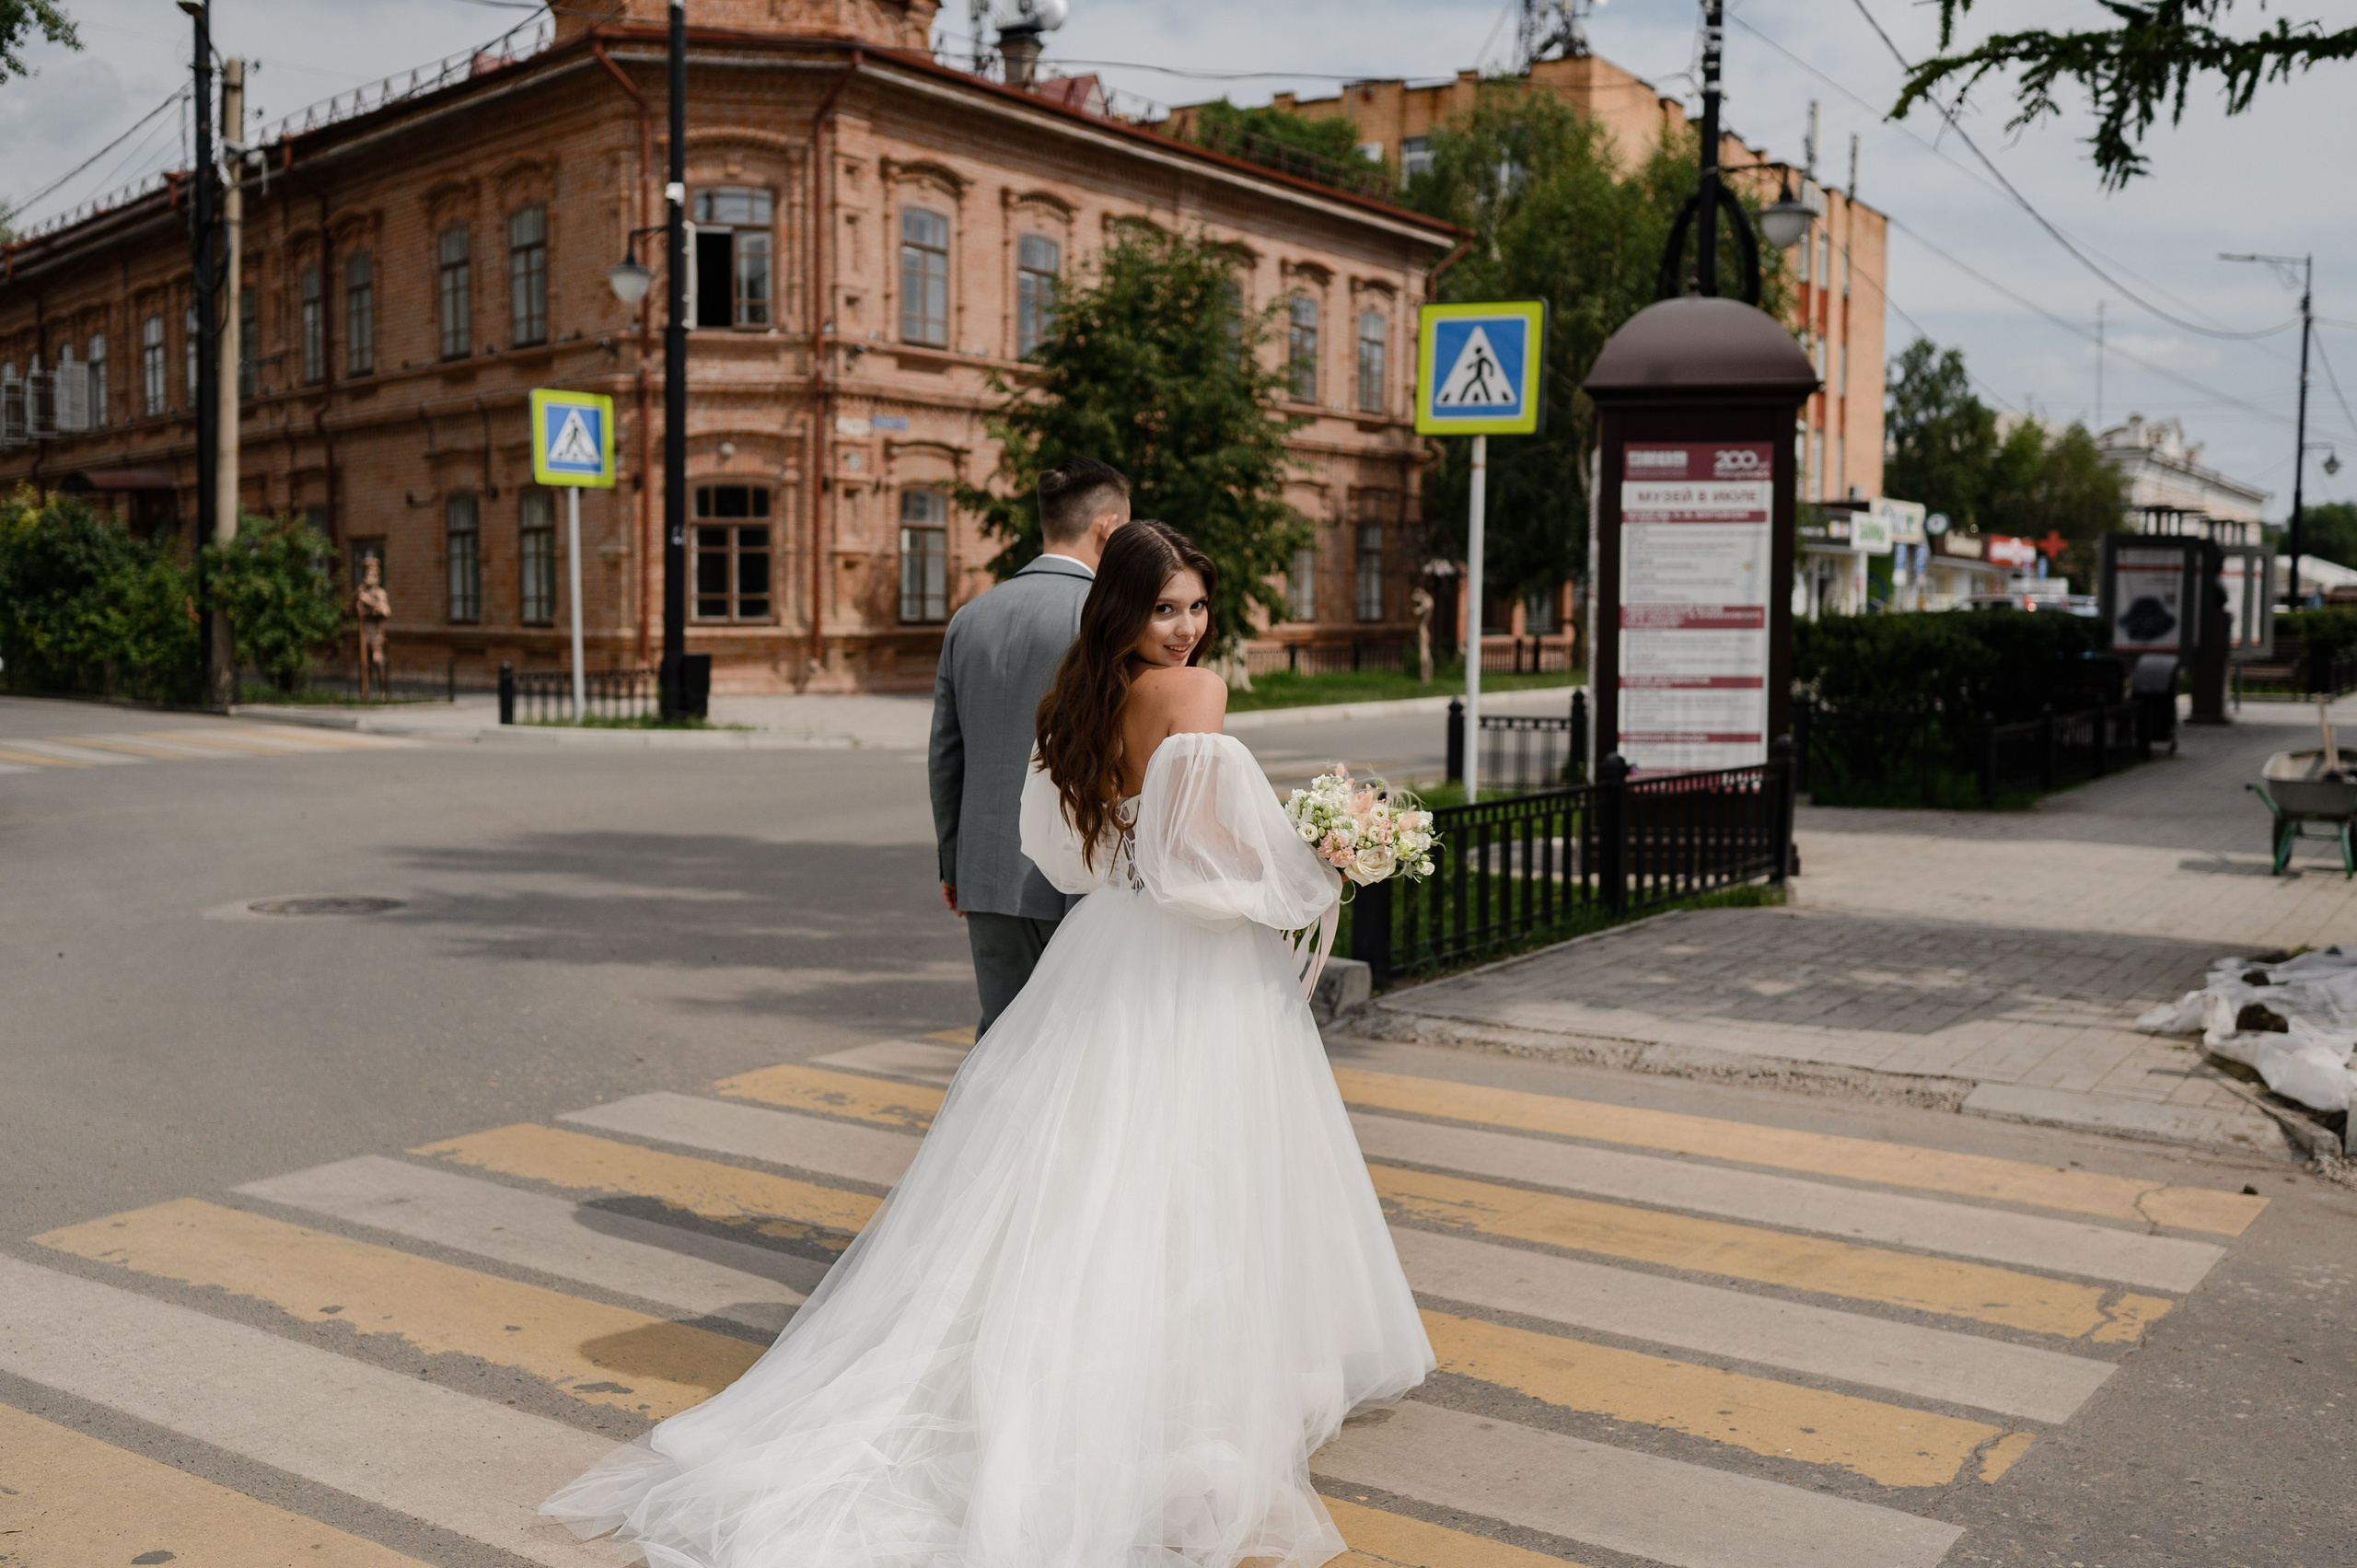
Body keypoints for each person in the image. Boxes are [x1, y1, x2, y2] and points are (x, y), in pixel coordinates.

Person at [541, 520, 1434, 1568]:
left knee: (1089, 1173)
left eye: (1196, 604)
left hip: (1107, 948)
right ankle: (1181, 1390)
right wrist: (1324, 855)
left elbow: (1066, 854)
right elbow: (1205, 863)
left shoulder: (1080, 695)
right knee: (1196, 1168)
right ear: (1125, 608)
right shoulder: (1198, 694)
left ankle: (1071, 1368)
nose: (1188, 627)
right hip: (1190, 961)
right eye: (1167, 607)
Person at [928, 456, 1131, 1035]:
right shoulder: (1104, 618)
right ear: (1108, 529)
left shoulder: (970, 617)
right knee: (1073, 1044)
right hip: (1081, 872)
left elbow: (947, 754)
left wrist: (953, 862)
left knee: (1000, 1038)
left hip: (985, 869)